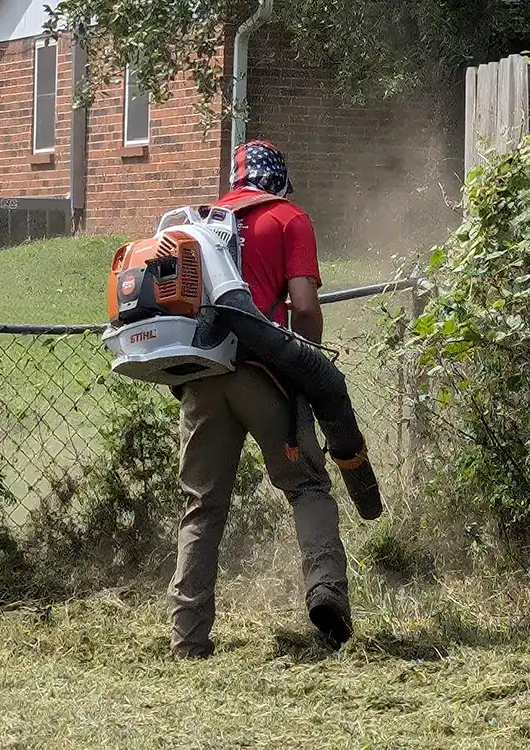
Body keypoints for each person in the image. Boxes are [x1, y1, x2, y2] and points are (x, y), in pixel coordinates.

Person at [166, 140, 352, 659]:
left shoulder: (203, 225)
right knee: (307, 485)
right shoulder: (290, 219)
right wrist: (309, 363)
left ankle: (187, 637)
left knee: (201, 506)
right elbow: (306, 307)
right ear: (280, 179)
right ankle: (326, 594)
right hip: (266, 377)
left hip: (204, 376)